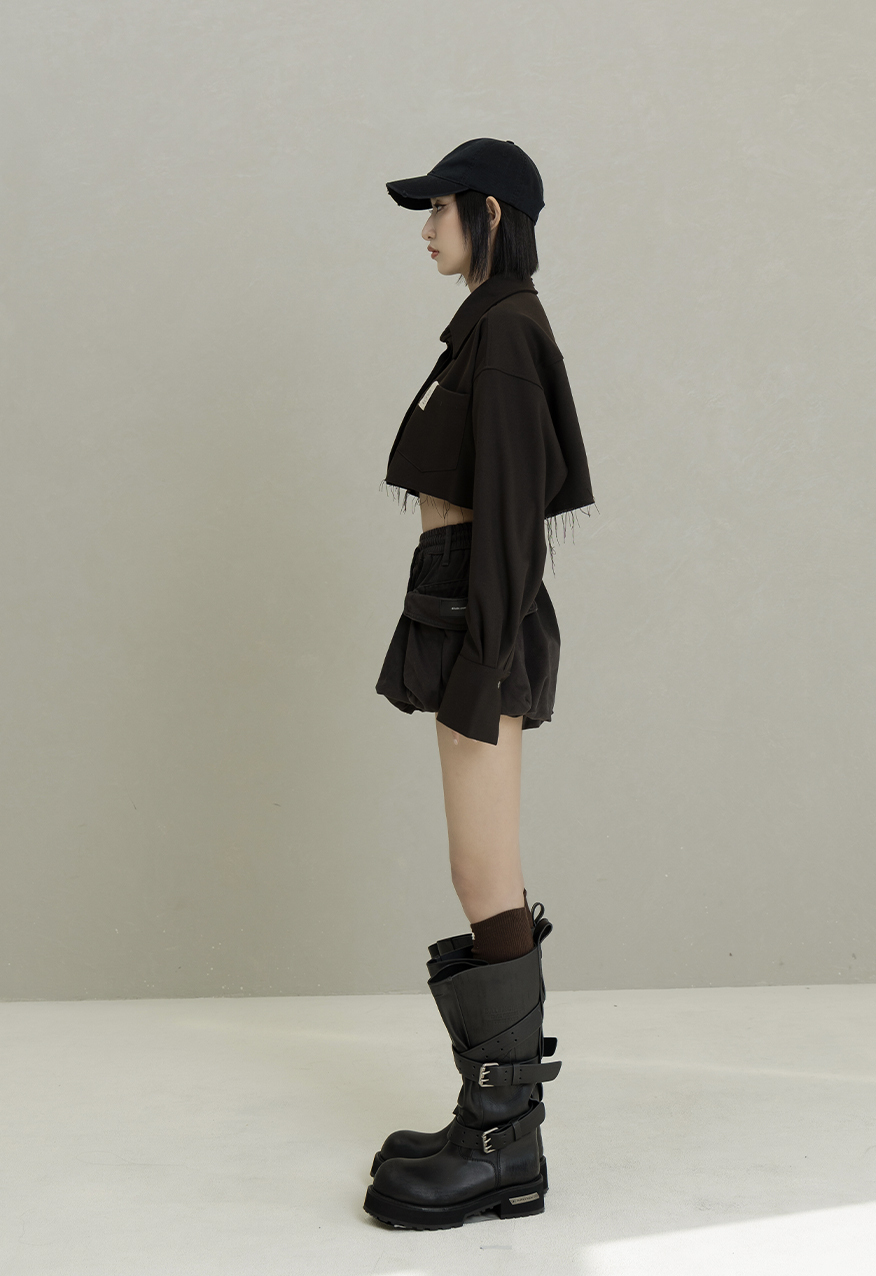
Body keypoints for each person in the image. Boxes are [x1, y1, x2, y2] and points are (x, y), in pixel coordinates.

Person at [366, 139, 595, 1230]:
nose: (426, 230)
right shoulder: (488, 325)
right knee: (480, 868)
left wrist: (487, 660)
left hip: (478, 614)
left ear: (491, 213)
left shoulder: (503, 332)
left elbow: (510, 521)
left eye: (441, 209)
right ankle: (490, 1125)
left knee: (484, 872)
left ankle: (506, 1146)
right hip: (459, 605)